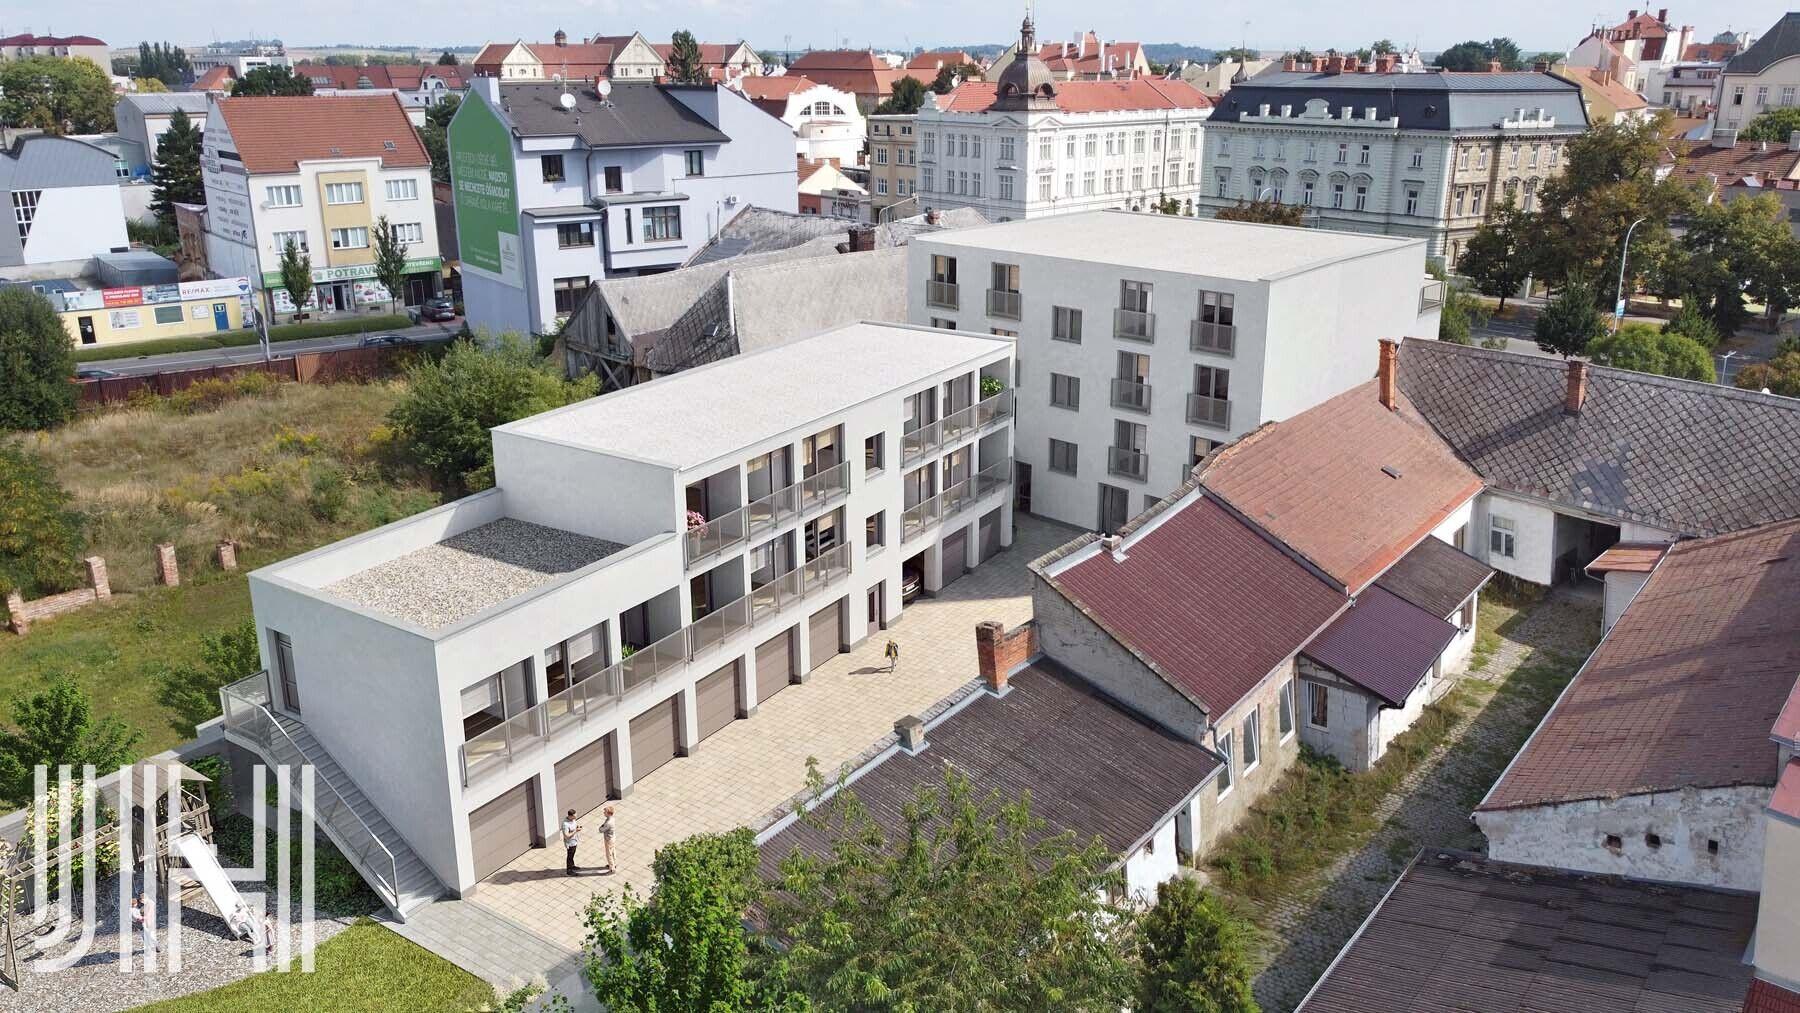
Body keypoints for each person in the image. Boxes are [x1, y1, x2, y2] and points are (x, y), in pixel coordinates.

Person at [561, 809, 581, 876]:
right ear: (570, 816)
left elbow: (574, 825)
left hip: (574, 841)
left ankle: (572, 865)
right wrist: (576, 831)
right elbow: (566, 836)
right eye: (574, 816)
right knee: (570, 856)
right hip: (570, 843)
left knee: (572, 855)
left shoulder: (573, 819)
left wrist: (577, 827)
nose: (575, 817)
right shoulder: (565, 824)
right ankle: (569, 870)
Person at [600, 804, 617, 874]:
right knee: (613, 852)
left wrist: (601, 826)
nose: (604, 813)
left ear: (609, 813)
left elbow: (601, 830)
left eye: (605, 812)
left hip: (608, 839)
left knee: (608, 854)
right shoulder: (612, 819)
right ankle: (614, 863)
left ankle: (612, 869)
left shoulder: (608, 823)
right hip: (612, 837)